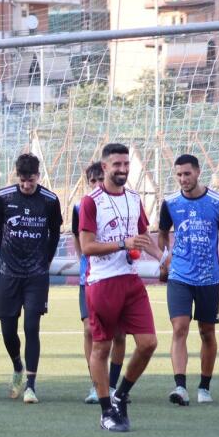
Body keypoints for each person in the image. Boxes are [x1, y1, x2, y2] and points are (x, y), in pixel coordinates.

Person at [77, 143, 162, 432]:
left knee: (149, 343)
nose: (123, 170)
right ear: (104, 168)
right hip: (102, 283)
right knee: (101, 347)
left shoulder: (135, 198)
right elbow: (87, 246)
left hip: (131, 280)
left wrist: (165, 259)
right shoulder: (91, 202)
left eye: (126, 164)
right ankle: (105, 411)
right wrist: (122, 243)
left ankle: (121, 395)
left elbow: (143, 237)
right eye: (117, 165)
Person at [157, 154, 219, 406]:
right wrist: (164, 263)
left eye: (187, 174)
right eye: (178, 174)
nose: (183, 179)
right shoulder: (169, 203)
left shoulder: (217, 201)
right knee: (179, 327)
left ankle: (204, 386)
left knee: (207, 332)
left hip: (209, 278)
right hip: (179, 275)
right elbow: (162, 235)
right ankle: (180, 386)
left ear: (198, 172)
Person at [0, 153, 62, 404]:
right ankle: (17, 366)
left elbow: (55, 233)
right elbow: (0, 228)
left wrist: (46, 260)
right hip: (9, 273)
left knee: (32, 327)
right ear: (16, 176)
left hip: (36, 275)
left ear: (38, 176)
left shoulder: (50, 200)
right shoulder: (3, 196)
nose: (26, 185)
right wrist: (5, 256)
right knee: (8, 329)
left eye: (30, 180)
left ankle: (31, 385)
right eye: (22, 180)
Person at [75, 161, 126, 405]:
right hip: (91, 280)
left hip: (118, 277)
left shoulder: (124, 203)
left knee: (119, 334)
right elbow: (79, 240)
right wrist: (84, 262)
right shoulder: (82, 206)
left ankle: (113, 384)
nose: (96, 185)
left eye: (99, 180)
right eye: (92, 181)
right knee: (89, 330)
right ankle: (97, 383)